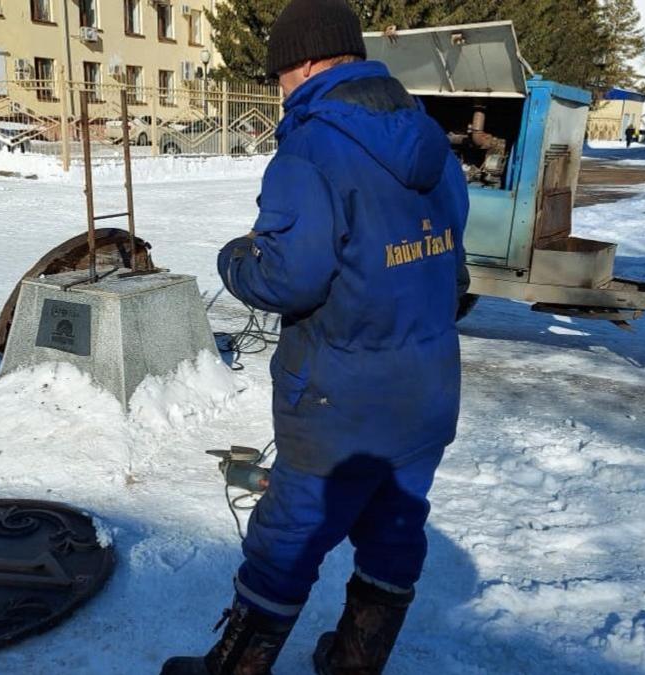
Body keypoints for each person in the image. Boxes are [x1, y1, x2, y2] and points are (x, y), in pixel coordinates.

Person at [160, 0, 469, 673]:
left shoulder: (314, 147)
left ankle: (235, 667)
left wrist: (235, 259)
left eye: (277, 75)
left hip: (341, 401)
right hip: (429, 387)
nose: (277, 88)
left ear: (301, 63)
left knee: (289, 532)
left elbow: (290, 278)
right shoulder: (428, 138)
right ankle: (355, 660)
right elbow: (456, 270)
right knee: (395, 522)